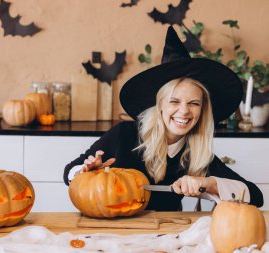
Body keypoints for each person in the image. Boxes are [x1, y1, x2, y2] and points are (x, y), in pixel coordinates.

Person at [63, 26, 263, 211]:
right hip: (116, 228)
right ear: (159, 105)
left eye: (194, 103)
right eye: (174, 101)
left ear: (202, 110)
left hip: (166, 233)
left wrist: (210, 184)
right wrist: (86, 172)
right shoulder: (124, 133)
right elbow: (68, 172)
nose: (184, 111)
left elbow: (255, 196)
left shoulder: (196, 153)